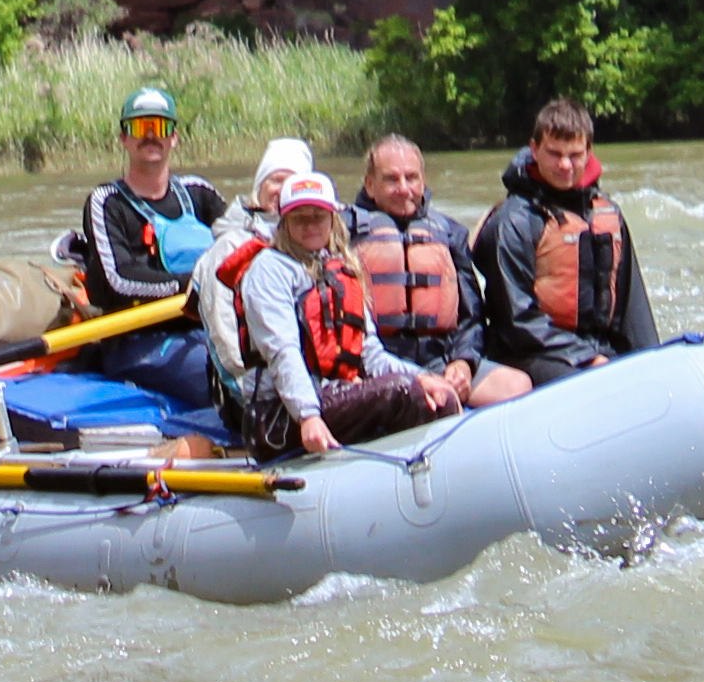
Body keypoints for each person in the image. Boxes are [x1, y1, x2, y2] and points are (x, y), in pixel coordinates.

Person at [222, 170, 456, 453]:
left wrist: (422, 376)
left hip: (333, 397)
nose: (310, 225)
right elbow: (282, 351)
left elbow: (370, 354)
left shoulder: (340, 267)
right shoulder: (269, 270)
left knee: (437, 394)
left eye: (318, 216)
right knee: (403, 393)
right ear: (284, 222)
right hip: (279, 416)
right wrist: (308, 416)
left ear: (332, 220)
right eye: (299, 217)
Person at [55, 83, 225, 414]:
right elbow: (121, 281)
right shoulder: (106, 203)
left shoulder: (199, 193)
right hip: (137, 341)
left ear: (174, 137)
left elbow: (242, 250)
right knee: (219, 380)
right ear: (123, 138)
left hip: (207, 329)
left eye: (159, 127)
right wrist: (196, 283)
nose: (151, 136)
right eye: (139, 127)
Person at [470, 97, 657, 381]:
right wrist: (588, 358)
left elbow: (633, 309)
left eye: (575, 155)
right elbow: (515, 319)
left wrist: (651, 362)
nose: (565, 165)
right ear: (534, 150)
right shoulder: (513, 221)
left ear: (589, 152)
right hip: (528, 352)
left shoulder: (608, 214)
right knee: (585, 380)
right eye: (554, 154)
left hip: (596, 349)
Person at [347, 135, 528, 407]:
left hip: (438, 360)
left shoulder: (449, 233)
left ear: (423, 181)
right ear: (370, 185)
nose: (404, 188)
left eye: (411, 178)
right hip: (377, 367)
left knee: (516, 386)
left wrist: (463, 362)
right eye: (391, 179)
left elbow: (471, 316)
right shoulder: (343, 234)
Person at [184, 135, 314, 397]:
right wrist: (250, 392)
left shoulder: (319, 244)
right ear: (260, 187)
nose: (283, 190)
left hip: (309, 378)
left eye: (293, 181)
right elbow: (224, 332)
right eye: (276, 180)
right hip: (256, 391)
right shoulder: (228, 247)